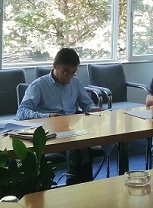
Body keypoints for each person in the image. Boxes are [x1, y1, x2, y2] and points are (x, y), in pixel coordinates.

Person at [16, 48, 102, 185]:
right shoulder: (39, 85)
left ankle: (84, 187)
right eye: (66, 71)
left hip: (71, 130)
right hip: (49, 132)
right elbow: (21, 113)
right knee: (78, 148)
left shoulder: (75, 82)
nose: (69, 76)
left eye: (73, 72)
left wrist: (93, 109)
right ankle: (74, 186)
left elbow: (87, 104)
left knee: (82, 145)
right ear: (55, 65)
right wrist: (48, 116)